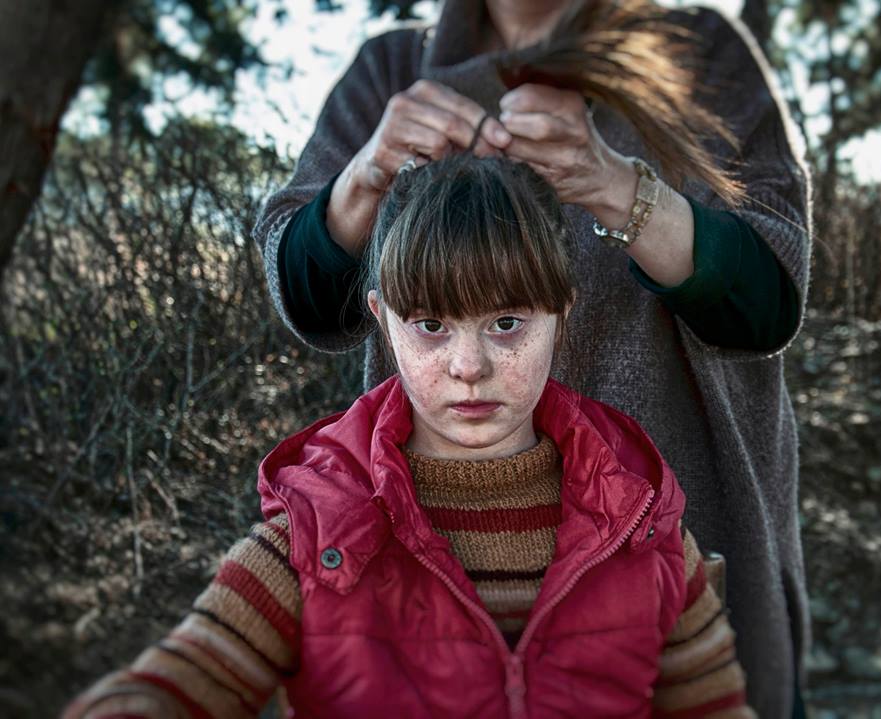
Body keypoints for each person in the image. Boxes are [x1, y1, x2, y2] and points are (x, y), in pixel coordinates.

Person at [252, 1, 812, 716]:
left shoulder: (699, 54)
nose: (470, 362)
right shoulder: (391, 72)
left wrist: (615, 185)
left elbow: (768, 301)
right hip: (437, 568)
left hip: (680, 538)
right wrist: (366, 176)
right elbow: (308, 297)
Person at [66, 155, 756, 717]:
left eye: (508, 321)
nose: (469, 365)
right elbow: (186, 678)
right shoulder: (317, 529)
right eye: (430, 323)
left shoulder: (639, 521)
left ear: (560, 311)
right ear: (382, 317)